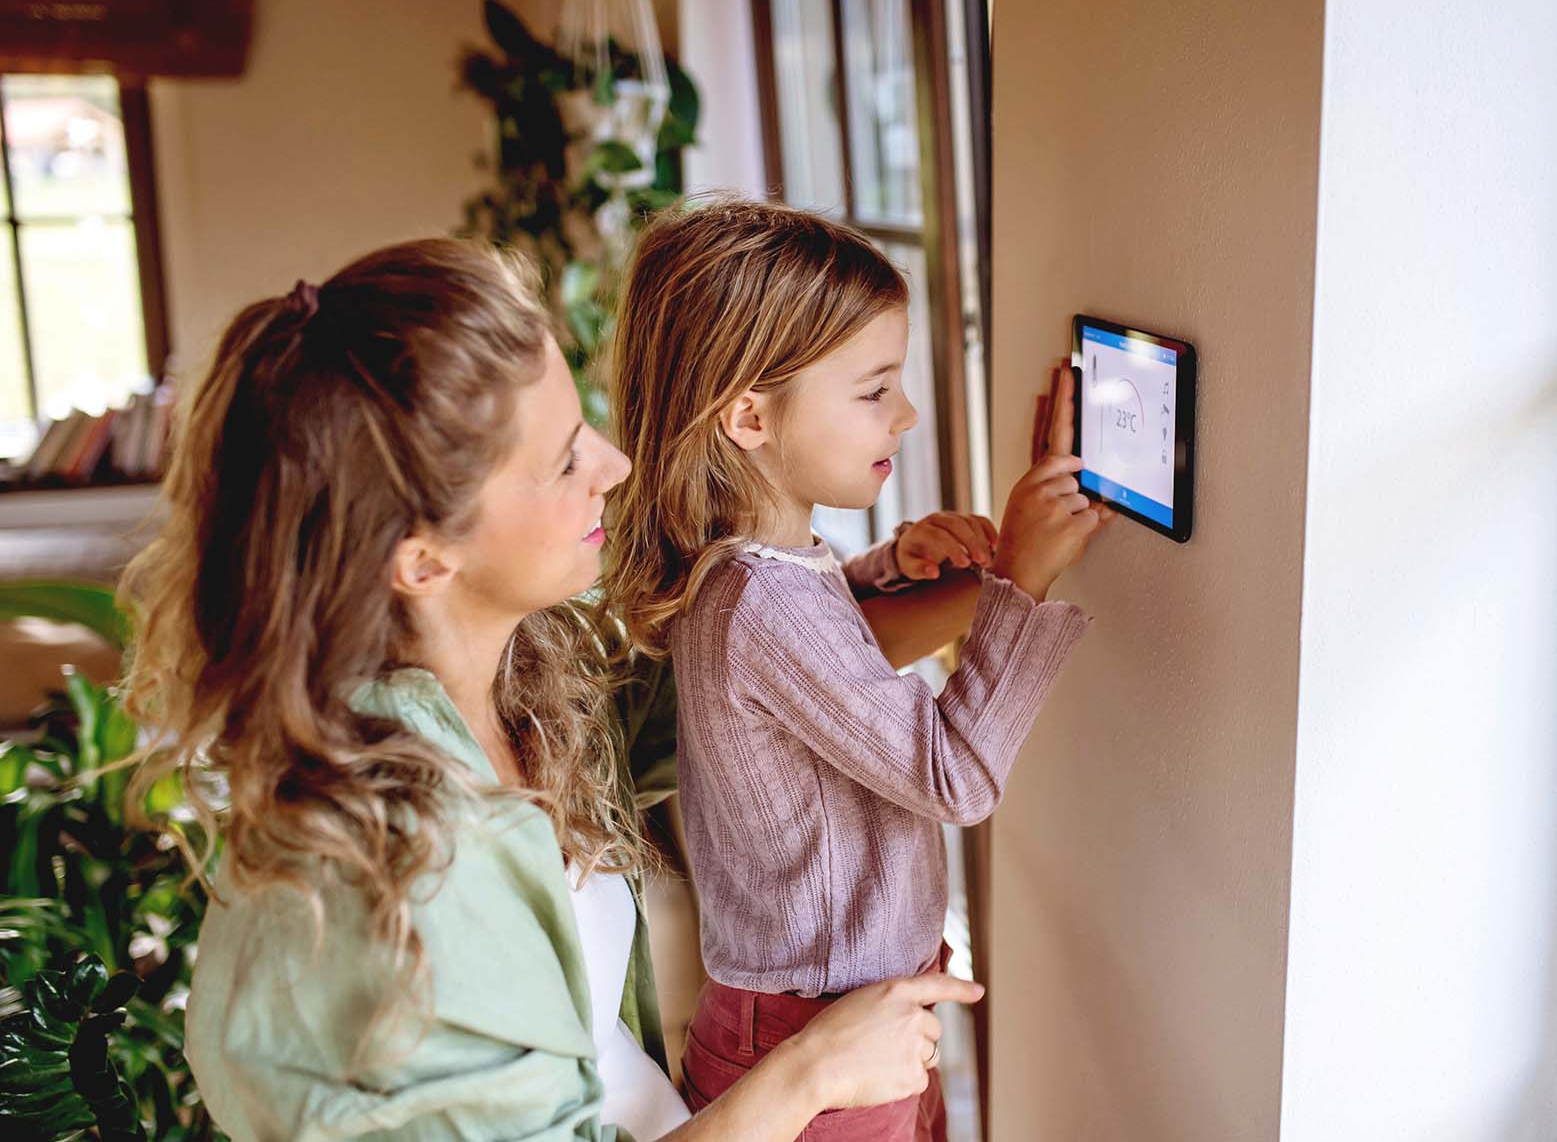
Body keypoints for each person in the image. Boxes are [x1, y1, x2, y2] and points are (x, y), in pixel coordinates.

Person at [120, 237, 982, 1142]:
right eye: (566, 458)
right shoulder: (393, 877)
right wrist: (809, 1072)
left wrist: (994, 578)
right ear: (421, 557)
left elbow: (790, 674)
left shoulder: (524, 679)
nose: (613, 465)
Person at [603, 200, 1108, 1140]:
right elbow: (953, 776)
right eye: (875, 390)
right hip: (814, 1035)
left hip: (846, 1016)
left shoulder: (756, 566)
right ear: (747, 415)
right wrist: (1021, 586)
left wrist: (892, 568)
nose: (906, 414)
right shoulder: (761, 600)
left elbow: (822, 654)